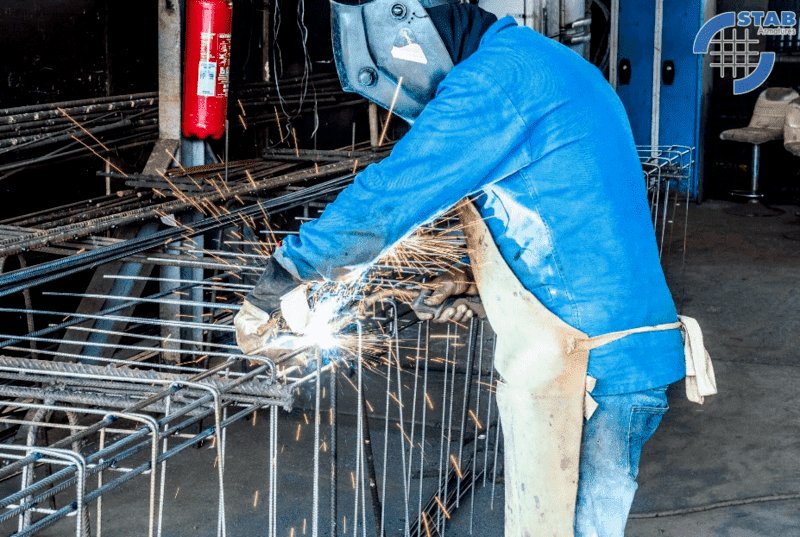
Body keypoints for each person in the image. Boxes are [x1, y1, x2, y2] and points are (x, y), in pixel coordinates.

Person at [235, 1, 707, 535]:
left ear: (405, 27)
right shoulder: (536, 61)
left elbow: (393, 194)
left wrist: (288, 273)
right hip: (612, 351)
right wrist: (480, 283)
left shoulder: (499, 79)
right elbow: (563, 213)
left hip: (597, 368)